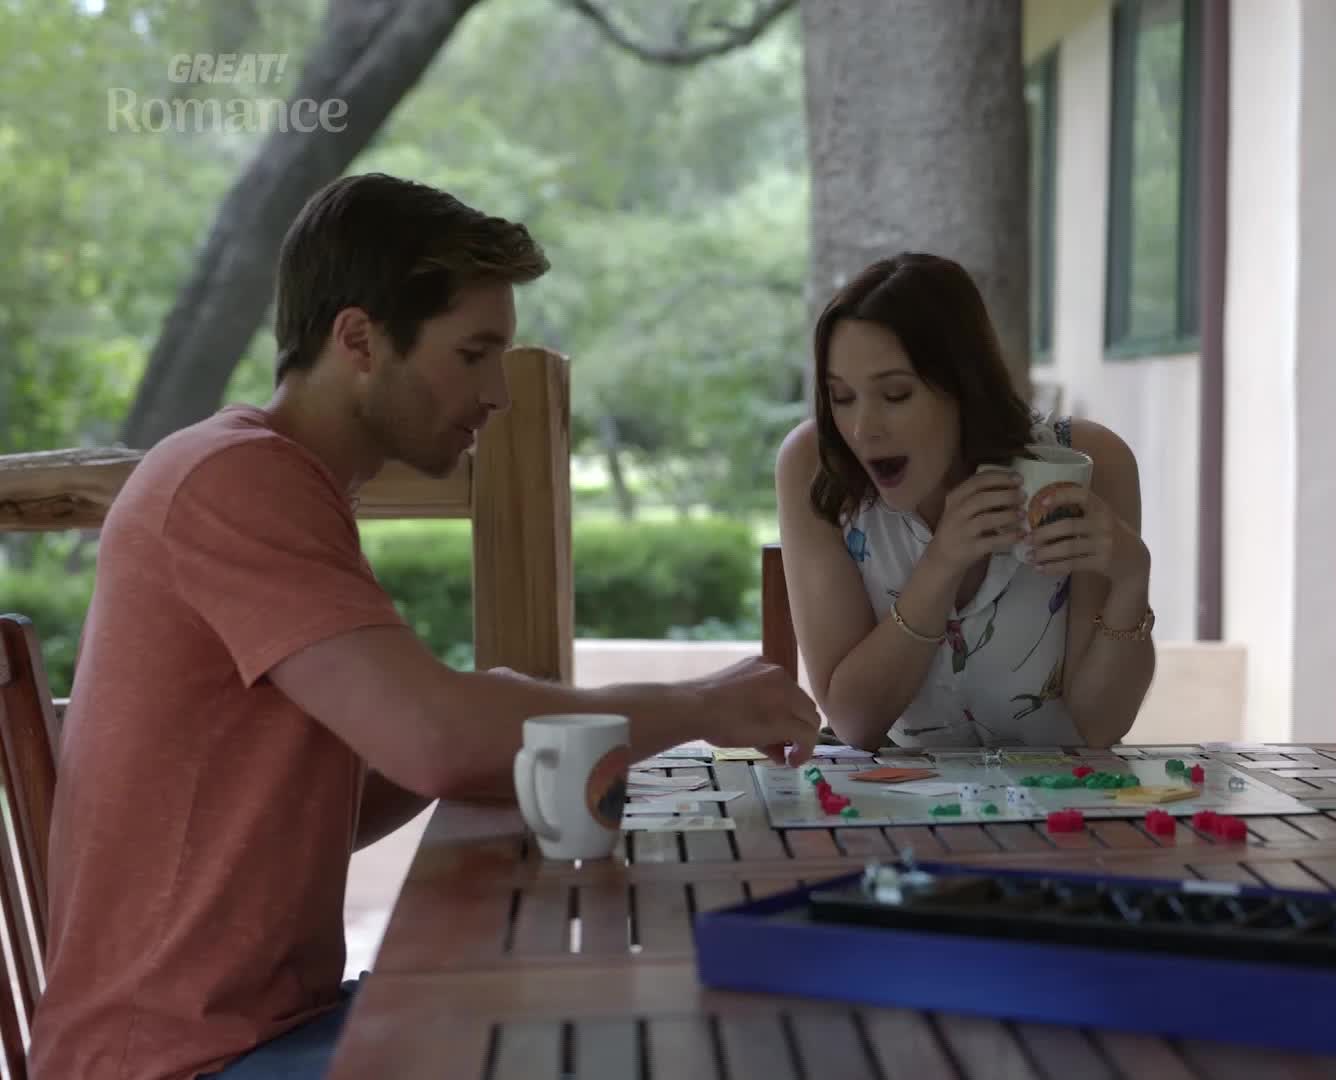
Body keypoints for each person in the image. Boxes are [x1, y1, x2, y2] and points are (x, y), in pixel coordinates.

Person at [31, 173, 819, 1080]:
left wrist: (512, 724)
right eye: (474, 354)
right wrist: (700, 707)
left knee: (586, 1011)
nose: (499, 394)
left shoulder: (278, 479)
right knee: (633, 1038)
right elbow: (434, 742)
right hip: (179, 1058)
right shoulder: (235, 480)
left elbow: (348, 795)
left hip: (262, 1028)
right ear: (360, 339)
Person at [774, 253, 1156, 750]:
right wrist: (942, 563)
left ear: (965, 386)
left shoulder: (1087, 463)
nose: (863, 429)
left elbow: (1099, 727)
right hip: (899, 812)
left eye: (895, 395)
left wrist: (1131, 579)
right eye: (842, 398)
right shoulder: (816, 464)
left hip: (1059, 809)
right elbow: (854, 721)